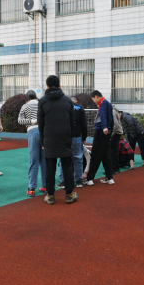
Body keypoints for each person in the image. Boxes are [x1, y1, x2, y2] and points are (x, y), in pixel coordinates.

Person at [37, 75, 78, 205]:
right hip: (65, 137)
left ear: (47, 86)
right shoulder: (68, 100)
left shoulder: (43, 101)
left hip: (49, 138)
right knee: (67, 166)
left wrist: (42, 140)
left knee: (50, 168)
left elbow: (40, 123)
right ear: (59, 85)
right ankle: (69, 194)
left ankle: (50, 196)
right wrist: (70, 137)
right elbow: (72, 122)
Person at [18, 90, 46, 197]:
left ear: (27, 98)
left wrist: (32, 121)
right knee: (45, 161)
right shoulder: (41, 104)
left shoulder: (25, 106)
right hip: (44, 132)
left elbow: (20, 120)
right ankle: (46, 185)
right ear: (36, 97)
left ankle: (31, 188)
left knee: (34, 161)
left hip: (32, 132)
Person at [84, 90, 115, 186]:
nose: (93, 101)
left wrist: (104, 127)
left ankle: (90, 178)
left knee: (96, 154)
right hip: (107, 132)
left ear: (96, 97)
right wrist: (110, 131)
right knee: (106, 155)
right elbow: (111, 119)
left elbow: (103, 115)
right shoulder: (108, 103)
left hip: (101, 131)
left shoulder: (102, 103)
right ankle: (109, 178)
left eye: (93, 99)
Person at [58, 96, 88, 189]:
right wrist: (84, 137)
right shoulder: (80, 108)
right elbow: (84, 124)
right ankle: (79, 181)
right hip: (76, 137)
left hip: (64, 137)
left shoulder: (62, 108)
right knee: (78, 159)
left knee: (63, 159)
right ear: (76, 101)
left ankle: (63, 181)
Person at [110, 105, 124, 174]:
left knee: (113, 151)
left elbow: (115, 124)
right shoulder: (114, 110)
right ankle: (116, 167)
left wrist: (111, 134)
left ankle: (113, 168)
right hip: (116, 133)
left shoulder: (112, 111)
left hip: (115, 133)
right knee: (114, 150)